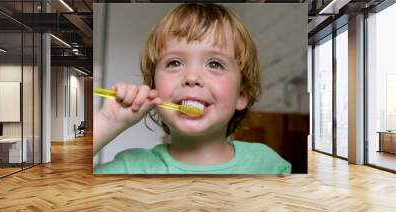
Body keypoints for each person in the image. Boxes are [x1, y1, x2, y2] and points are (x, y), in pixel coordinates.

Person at [93, 3, 291, 174]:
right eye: (174, 63)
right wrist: (108, 122)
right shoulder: (132, 169)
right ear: (153, 88)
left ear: (241, 95)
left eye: (214, 64)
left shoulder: (267, 165)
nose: (191, 77)